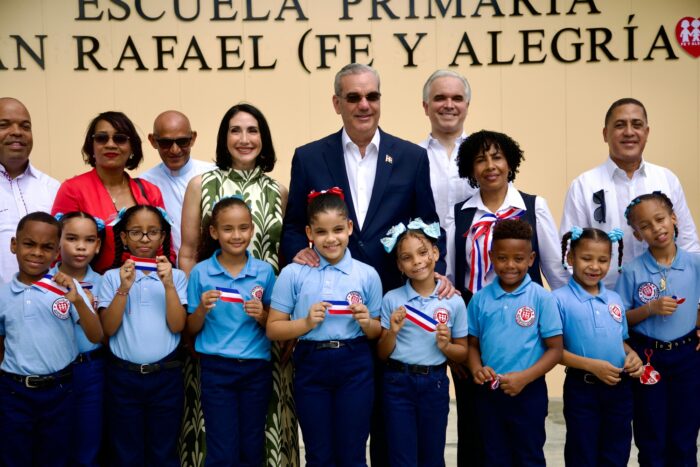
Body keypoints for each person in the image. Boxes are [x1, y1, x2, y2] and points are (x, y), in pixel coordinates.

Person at [179, 103, 297, 467]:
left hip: (264, 321)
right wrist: (194, 316)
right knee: (219, 431)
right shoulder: (201, 184)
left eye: (252, 130)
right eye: (235, 130)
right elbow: (188, 252)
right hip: (216, 327)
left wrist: (282, 321)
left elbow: (287, 255)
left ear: (264, 138)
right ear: (223, 137)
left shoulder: (278, 190)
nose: (244, 139)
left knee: (258, 428)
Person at [447, 129, 568, 465]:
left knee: (524, 435)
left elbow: (556, 273)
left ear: (510, 163)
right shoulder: (459, 213)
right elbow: (451, 280)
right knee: (476, 429)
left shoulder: (533, 206)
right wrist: (457, 345)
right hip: (476, 329)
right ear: (470, 169)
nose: (490, 165)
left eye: (497, 157)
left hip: (523, 332)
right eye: (480, 159)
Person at [267, 191, 383, 467]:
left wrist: (367, 322)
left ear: (350, 228)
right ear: (309, 233)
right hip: (311, 363)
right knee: (319, 455)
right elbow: (273, 328)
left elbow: (377, 332)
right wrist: (305, 323)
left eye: (338, 230)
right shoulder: (293, 273)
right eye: (321, 232)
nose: (331, 239)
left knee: (352, 454)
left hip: (355, 364)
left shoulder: (367, 274)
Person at [560, 97, 700, 289]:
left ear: (646, 132)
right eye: (620, 125)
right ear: (605, 134)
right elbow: (569, 251)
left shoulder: (667, 179)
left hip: (667, 297)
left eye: (636, 125)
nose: (629, 132)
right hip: (605, 300)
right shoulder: (584, 185)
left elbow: (688, 244)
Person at [0, 212, 102, 466]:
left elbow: (96, 335)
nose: (37, 253)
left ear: (57, 252)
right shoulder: (3, 294)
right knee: (14, 455)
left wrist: (78, 300)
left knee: (56, 456)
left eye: (47, 247)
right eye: (29, 244)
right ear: (14, 245)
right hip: (13, 391)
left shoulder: (69, 288)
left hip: (60, 389)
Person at [186, 196, 276, 466]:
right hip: (216, 369)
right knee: (222, 449)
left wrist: (262, 316)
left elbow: (275, 324)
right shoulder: (201, 273)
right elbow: (191, 328)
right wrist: (201, 309)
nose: (236, 235)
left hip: (256, 369)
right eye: (228, 229)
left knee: (252, 446)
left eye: (243, 228)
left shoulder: (264, 272)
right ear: (214, 232)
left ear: (252, 229)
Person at [466, 218, 563, 466]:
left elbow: (555, 350)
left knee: (528, 456)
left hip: (529, 392)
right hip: (490, 393)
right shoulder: (479, 299)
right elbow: (472, 344)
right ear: (491, 257)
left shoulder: (542, 298)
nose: (510, 265)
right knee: (494, 456)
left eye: (518, 259)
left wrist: (525, 378)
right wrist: (476, 369)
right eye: (502, 258)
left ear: (531, 259)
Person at [97, 205, 187, 466]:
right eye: (136, 232)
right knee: (126, 452)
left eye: (152, 232)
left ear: (162, 237)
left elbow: (177, 326)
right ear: (124, 237)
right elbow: (108, 329)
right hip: (123, 377)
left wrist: (168, 285)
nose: (145, 239)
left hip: (165, 376)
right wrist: (124, 288)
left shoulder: (176, 277)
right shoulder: (112, 277)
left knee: (163, 450)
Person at [616, 192, 700, 466]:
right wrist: (649, 308)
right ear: (637, 235)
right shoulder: (631, 272)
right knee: (650, 433)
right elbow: (619, 321)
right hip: (648, 358)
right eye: (645, 226)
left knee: (685, 433)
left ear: (674, 218)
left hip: (688, 357)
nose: (656, 228)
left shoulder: (695, 264)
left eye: (660, 219)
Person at [377, 219, 468, 466]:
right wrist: (392, 332)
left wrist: (446, 346)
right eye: (407, 258)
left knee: (432, 456)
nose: (417, 261)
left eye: (422, 252)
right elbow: (382, 353)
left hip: (434, 384)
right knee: (401, 458)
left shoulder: (453, 301)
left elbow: (462, 352)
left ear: (435, 253)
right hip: (397, 384)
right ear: (399, 265)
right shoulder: (392, 299)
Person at [555, 226, 643, 466]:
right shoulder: (558, 300)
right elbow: (554, 352)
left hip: (620, 388)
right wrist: (592, 366)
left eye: (603, 260)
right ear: (570, 258)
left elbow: (620, 341)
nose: (595, 266)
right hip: (582, 389)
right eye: (586, 258)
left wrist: (633, 355)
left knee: (617, 451)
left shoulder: (614, 299)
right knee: (582, 452)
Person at [52, 111, 169, 274]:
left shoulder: (150, 191)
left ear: (132, 147)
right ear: (91, 146)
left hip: (147, 281)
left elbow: (165, 247)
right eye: (101, 138)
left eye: (120, 139)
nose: (111, 144)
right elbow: (56, 247)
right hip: (89, 286)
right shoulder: (72, 189)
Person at [51, 211, 106, 467]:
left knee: (88, 439)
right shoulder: (44, 282)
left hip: (92, 369)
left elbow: (106, 334)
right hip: (54, 371)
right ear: (57, 242)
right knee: (55, 441)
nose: (81, 246)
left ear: (98, 245)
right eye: (72, 238)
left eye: (89, 240)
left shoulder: (105, 282)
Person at [0, 97, 60, 284]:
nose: (17, 132)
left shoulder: (53, 189)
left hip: (47, 298)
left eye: (25, 126)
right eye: (4, 125)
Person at [141, 110, 215, 256]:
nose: (175, 150)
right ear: (153, 141)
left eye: (182, 142)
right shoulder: (144, 184)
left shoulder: (214, 175)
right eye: (166, 143)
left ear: (193, 138)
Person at [419, 70, 477, 229]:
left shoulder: (485, 157)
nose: (449, 105)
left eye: (457, 98)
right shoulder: (411, 158)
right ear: (426, 107)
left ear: (467, 106)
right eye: (440, 98)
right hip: (427, 244)